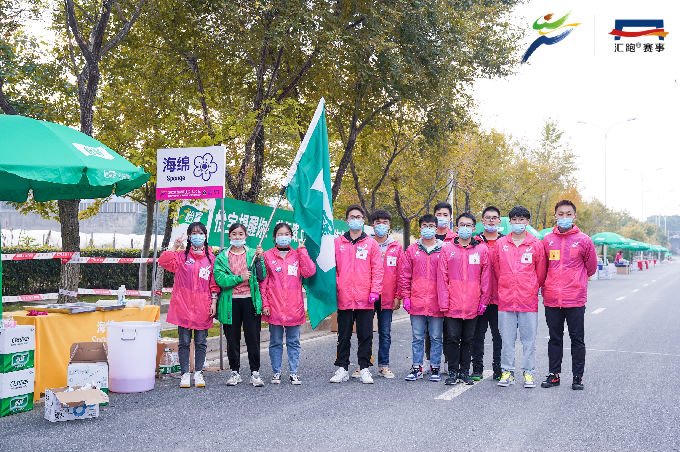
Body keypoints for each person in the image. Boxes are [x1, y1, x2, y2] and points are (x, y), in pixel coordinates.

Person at [541, 200, 597, 391]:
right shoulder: (547, 240)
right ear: (555, 216)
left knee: (577, 339)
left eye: (568, 214)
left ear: (574, 216)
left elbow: (591, 268)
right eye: (561, 214)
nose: (564, 217)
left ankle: (577, 377)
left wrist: (576, 281)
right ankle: (554, 375)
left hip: (575, 299)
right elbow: (543, 267)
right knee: (554, 338)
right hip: (552, 299)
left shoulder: (584, 240)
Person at [158, 222, 219, 388]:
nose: (197, 236)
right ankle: (185, 374)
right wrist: (174, 247)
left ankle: (198, 373)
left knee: (201, 342)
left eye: (200, 233)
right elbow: (163, 261)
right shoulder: (181, 257)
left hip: (203, 307)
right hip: (183, 306)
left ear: (205, 236)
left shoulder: (211, 259)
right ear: (189, 237)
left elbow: (214, 284)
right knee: (184, 342)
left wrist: (214, 302)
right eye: (194, 233)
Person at [493, 206, 546, 388]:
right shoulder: (501, 244)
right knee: (507, 340)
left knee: (529, 341)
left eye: (522, 219)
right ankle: (507, 372)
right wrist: (506, 285)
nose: (518, 223)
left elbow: (540, 273)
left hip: (528, 300)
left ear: (527, 222)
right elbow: (497, 270)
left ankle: (529, 373)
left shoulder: (536, 244)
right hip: (506, 300)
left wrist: (531, 287)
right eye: (514, 220)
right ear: (510, 222)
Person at [330, 204, 384, 384]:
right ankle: (342, 368)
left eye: (358, 217)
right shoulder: (337, 243)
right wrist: (337, 286)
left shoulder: (371, 243)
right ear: (347, 221)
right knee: (343, 335)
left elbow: (377, 269)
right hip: (344, 297)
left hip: (365, 298)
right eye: (352, 217)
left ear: (363, 220)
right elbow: (332, 269)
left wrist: (375, 290)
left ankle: (364, 368)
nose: (355, 220)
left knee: (365, 335)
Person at [438, 213, 491, 385]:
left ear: (474, 228)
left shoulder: (482, 249)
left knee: (469, 339)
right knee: (452, 338)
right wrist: (444, 302)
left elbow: (486, 277)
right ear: (456, 227)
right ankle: (453, 371)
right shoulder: (447, 249)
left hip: (472, 304)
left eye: (469, 225)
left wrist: (483, 301)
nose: (465, 228)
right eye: (462, 225)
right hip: (452, 304)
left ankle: (464, 371)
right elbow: (442, 277)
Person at [261, 222, 316, 385]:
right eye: (280, 234)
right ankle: (276, 372)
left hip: (294, 307)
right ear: (274, 237)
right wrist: (265, 304)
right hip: (275, 307)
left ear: (291, 236)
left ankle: (294, 372)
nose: (283, 237)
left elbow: (309, 272)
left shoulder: (297, 254)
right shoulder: (267, 256)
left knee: (294, 341)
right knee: (275, 342)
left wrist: (303, 251)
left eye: (287, 234)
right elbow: (263, 283)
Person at [213, 222, 266, 387]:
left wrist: (260, 259)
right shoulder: (222, 257)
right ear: (229, 236)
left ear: (246, 236)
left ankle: (255, 372)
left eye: (241, 234)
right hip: (230, 303)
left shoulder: (253, 254)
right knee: (232, 338)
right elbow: (220, 279)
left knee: (253, 337)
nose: (237, 237)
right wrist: (239, 278)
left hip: (250, 301)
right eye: (234, 234)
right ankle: (234, 371)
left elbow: (262, 276)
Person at [352, 209, 403, 379]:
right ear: (372, 225)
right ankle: (362, 365)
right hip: (367, 295)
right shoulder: (365, 243)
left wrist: (398, 296)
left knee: (385, 332)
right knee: (364, 332)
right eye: (378, 222)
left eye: (385, 223)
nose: (381, 225)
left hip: (387, 295)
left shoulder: (396, 246)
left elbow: (401, 273)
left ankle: (384, 365)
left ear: (389, 225)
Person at [399, 214, 445, 382]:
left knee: (436, 337)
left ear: (436, 228)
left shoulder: (444, 249)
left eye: (431, 226)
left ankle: (435, 367)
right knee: (417, 337)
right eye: (425, 226)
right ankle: (417, 367)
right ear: (420, 228)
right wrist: (406, 296)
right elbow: (404, 275)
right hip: (417, 301)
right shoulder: (412, 250)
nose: (428, 229)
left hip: (437, 302)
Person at [471, 206, 504, 381]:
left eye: (494, 218)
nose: (491, 221)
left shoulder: (505, 241)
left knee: (499, 336)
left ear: (499, 221)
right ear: (482, 220)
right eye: (488, 217)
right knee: (477, 335)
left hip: (500, 298)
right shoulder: (475, 241)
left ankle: (499, 369)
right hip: (479, 298)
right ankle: (477, 368)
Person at [427, 202, 457, 373]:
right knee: (429, 330)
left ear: (450, 218)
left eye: (445, 215)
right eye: (438, 214)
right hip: (429, 291)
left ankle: (448, 360)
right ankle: (429, 360)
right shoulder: (427, 238)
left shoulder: (455, 239)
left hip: (450, 291)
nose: (442, 218)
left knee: (449, 329)